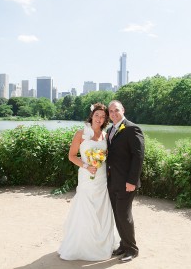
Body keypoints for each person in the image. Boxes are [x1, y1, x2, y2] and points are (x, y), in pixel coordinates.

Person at [58, 103, 114, 261]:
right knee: (85, 208)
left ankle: (101, 245)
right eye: (97, 115)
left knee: (101, 208)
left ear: (105, 119)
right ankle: (82, 246)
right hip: (86, 176)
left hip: (102, 177)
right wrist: (86, 165)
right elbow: (71, 156)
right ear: (92, 116)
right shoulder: (80, 134)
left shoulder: (105, 135)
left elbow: (108, 155)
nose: (100, 119)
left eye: (103, 117)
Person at [106, 100, 144, 263]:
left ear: (123, 110)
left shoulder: (132, 128)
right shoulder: (110, 130)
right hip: (112, 181)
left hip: (127, 182)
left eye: (116, 110)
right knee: (117, 215)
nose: (113, 113)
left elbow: (138, 156)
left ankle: (132, 249)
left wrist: (132, 181)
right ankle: (123, 245)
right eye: (111, 111)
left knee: (124, 214)